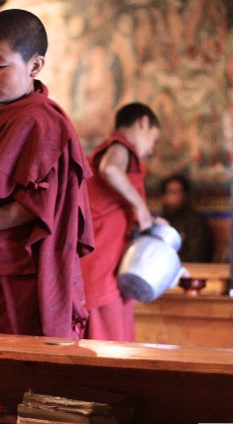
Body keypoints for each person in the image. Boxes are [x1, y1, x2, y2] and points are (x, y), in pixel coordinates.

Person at [0, 9, 94, 339]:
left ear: (35, 65)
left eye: (0, 64)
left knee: (17, 355)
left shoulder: (40, 120)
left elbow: (35, 205)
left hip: (21, 269)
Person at [79, 103, 162, 342]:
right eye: (153, 141)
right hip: (101, 265)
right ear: (143, 123)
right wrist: (142, 209)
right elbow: (111, 168)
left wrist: (150, 219)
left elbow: (117, 209)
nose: (149, 150)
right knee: (106, 346)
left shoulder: (118, 150)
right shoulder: (120, 146)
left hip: (113, 265)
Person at [160, 174, 214, 263]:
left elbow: (196, 256)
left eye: (181, 192)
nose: (179, 196)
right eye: (174, 192)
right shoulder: (160, 222)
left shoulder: (196, 223)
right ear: (164, 197)